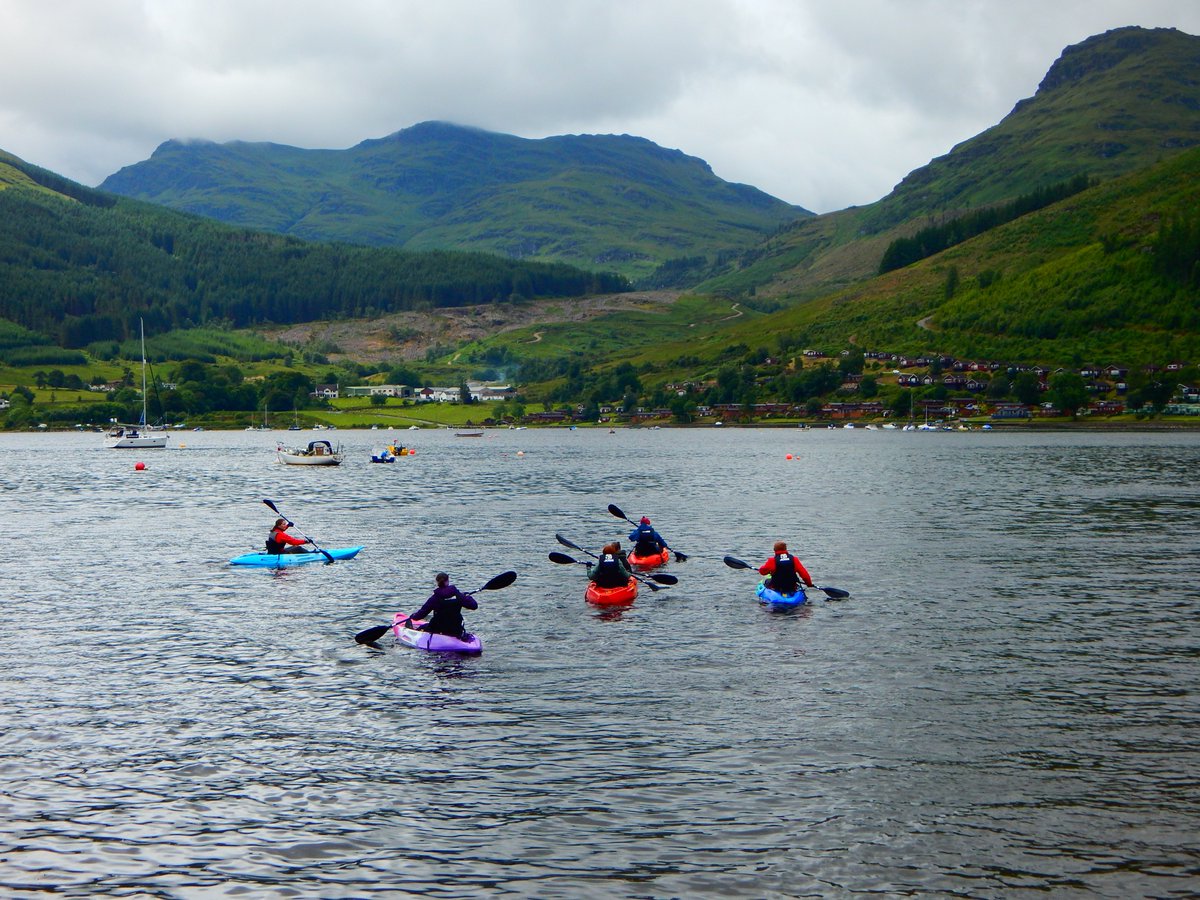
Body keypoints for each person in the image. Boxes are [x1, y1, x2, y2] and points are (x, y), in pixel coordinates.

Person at [404, 572, 478, 638]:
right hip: (456, 629)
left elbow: (421, 614)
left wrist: (412, 616)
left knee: (422, 627)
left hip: (438, 629)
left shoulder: (435, 598)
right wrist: (467, 596)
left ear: (437, 582)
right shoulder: (459, 596)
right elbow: (474, 606)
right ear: (447, 581)